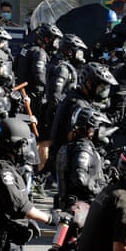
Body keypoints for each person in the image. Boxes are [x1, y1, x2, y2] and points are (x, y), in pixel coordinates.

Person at [0, 118, 67, 251]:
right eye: (24, 145)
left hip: (8, 237)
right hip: (3, 243)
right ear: (14, 145)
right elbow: (20, 205)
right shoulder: (2, 171)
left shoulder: (5, 166)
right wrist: (49, 218)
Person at [45, 62, 118, 185]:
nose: (103, 92)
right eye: (101, 88)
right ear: (89, 83)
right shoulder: (78, 106)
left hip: (65, 157)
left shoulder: (75, 96)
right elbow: (80, 136)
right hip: (71, 161)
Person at [39, 34, 88, 173]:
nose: (80, 54)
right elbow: (55, 94)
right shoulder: (63, 69)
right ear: (69, 50)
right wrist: (59, 114)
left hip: (58, 112)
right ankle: (40, 178)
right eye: (78, 50)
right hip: (56, 113)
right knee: (51, 145)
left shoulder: (65, 65)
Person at [56, 106, 110, 210]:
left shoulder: (72, 145)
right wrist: (99, 190)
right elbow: (80, 177)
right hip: (84, 207)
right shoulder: (83, 148)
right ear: (90, 130)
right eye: (99, 128)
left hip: (73, 206)